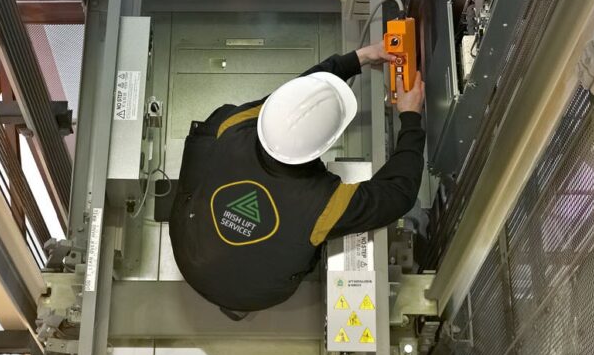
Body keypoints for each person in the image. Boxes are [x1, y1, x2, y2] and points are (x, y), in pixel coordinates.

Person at [169, 43, 426, 316]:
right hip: (259, 292)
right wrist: (410, 118)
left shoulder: (235, 123)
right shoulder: (324, 203)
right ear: (325, 145)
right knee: (311, 235)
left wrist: (360, 57)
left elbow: (297, 101)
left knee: (210, 134)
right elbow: (398, 192)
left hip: (189, 254)